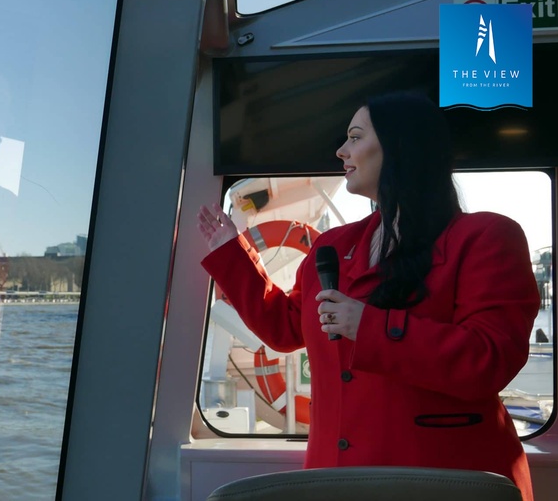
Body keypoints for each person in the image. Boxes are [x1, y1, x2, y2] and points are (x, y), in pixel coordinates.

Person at [197, 91, 540, 500]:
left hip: (446, 481)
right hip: (337, 481)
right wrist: (231, 251)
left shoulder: (486, 237)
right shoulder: (334, 245)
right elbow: (285, 327)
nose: (341, 150)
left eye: (355, 137)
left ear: (399, 145)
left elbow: (489, 358)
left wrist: (371, 326)